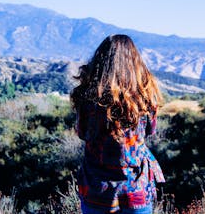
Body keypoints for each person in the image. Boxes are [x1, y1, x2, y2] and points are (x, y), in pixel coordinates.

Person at [71, 34, 165, 214]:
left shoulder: (87, 98)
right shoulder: (146, 99)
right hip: (136, 186)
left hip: (96, 187)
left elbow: (82, 133)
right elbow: (150, 131)